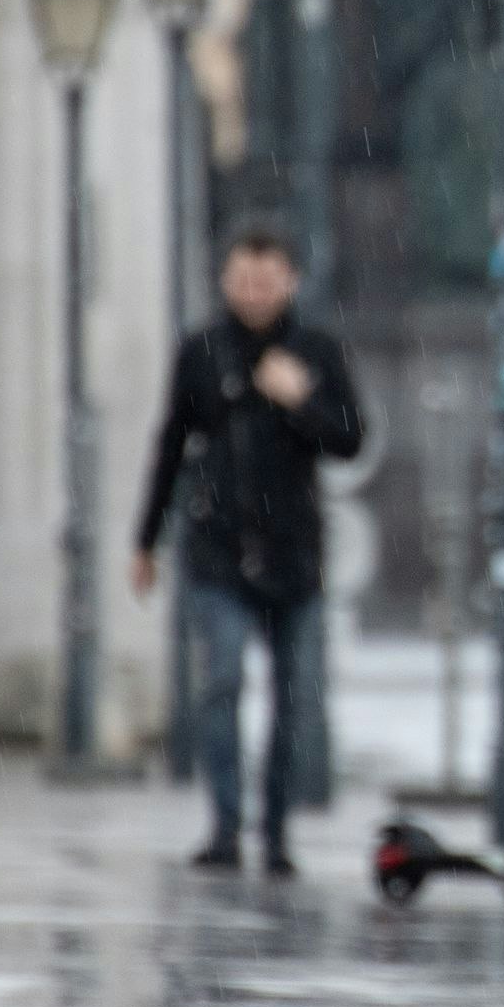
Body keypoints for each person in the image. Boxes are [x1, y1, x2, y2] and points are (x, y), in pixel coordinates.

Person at [134, 227, 363, 875]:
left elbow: (350, 439)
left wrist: (302, 401)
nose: (254, 293)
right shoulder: (202, 351)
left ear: (290, 281)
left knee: (296, 697)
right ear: (225, 282)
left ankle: (277, 832)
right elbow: (171, 445)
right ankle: (226, 826)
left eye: (266, 280)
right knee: (224, 680)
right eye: (242, 280)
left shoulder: (316, 350)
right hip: (219, 548)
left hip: (295, 552)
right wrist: (146, 539)